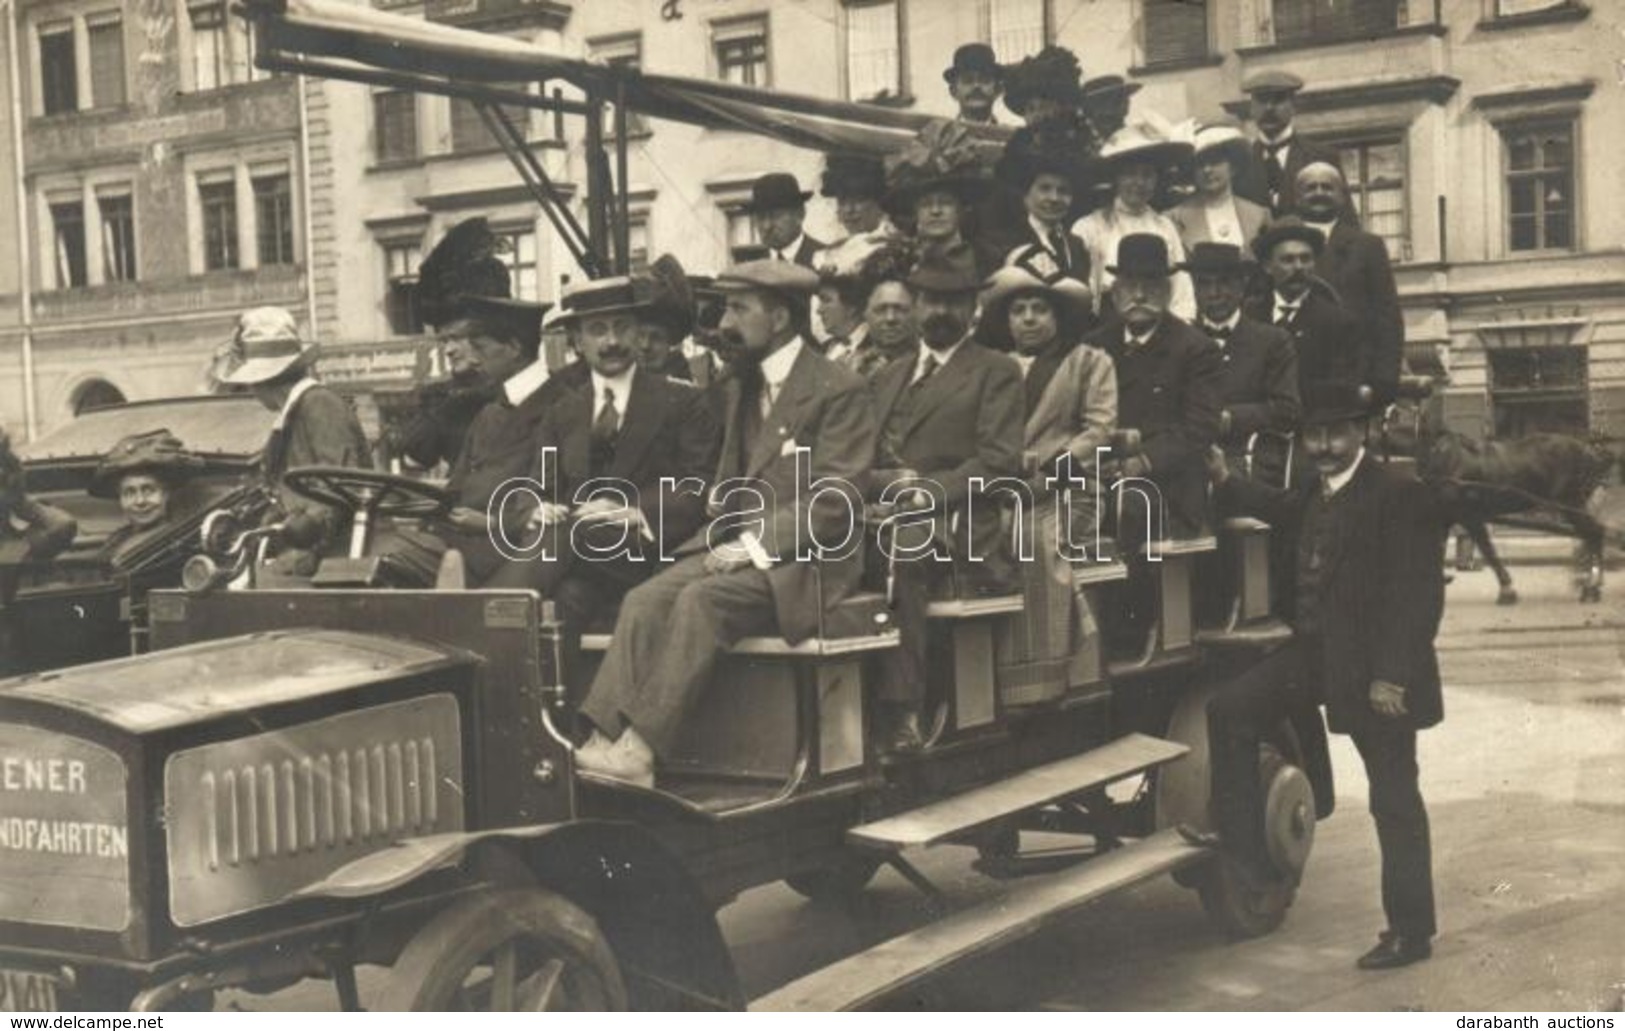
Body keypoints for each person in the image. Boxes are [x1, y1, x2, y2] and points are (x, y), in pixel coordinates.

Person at [573, 260, 876, 787]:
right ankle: (601, 736)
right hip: (737, 549)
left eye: (739, 307)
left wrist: (754, 543)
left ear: (779, 317)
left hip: (806, 559)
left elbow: (836, 498)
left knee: (699, 601)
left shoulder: (837, 388)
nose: (727, 321)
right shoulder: (740, 385)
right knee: (645, 598)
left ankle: (641, 750)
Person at [1202, 380, 1445, 970]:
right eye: (1315, 435)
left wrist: (1391, 678)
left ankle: (1410, 932)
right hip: (1317, 656)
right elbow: (1275, 509)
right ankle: (1248, 857)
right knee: (1229, 709)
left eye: (1338, 433)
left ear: (1362, 432)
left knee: (1392, 798)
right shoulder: (1312, 488)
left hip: (1378, 670)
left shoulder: (1398, 491)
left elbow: (1418, 598)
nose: (1326, 445)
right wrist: (1222, 477)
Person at [483, 270, 721, 631]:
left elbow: (698, 482)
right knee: (570, 596)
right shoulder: (562, 414)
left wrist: (635, 510)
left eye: (621, 327)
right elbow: (534, 488)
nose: (612, 341)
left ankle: (477, 621)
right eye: (597, 330)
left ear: (638, 332)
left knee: (570, 532)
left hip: (650, 548)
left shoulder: (683, 402)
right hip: (578, 560)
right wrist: (535, 510)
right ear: (577, 341)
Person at [865, 257, 1024, 750]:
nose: (940, 311)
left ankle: (903, 709)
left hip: (959, 520)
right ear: (915, 306)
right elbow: (859, 455)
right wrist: (881, 483)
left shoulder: (995, 370)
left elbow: (998, 461)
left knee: (901, 552)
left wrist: (923, 494)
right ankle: (840, 707)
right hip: (882, 509)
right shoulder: (888, 376)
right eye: (931, 300)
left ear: (973, 308)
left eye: (953, 301)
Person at [374, 219, 553, 587]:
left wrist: (485, 523)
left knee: (375, 556)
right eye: (447, 340)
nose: (453, 350)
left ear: (513, 346)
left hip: (507, 552)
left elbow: (550, 507)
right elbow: (452, 489)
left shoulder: (561, 407)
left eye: (468, 340)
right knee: (367, 552)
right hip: (455, 542)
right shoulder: (487, 411)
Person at [981, 254, 1117, 702]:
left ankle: (1038, 678)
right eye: (1018, 311)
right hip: (1000, 487)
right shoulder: (995, 366)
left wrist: (1049, 473)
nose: (1029, 320)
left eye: (1040, 310)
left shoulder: (1089, 362)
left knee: (1028, 537)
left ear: (1059, 316)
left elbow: (1098, 430)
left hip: (1069, 489)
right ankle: (983, 673)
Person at [1085, 234, 1222, 544]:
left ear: (1169, 291)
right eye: (1130, 285)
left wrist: (1143, 461)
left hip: (1168, 482)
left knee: (1131, 509)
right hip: (1100, 474)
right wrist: (1098, 462)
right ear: (1115, 292)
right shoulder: (1093, 346)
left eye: (1151, 285)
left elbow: (1200, 429)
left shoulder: (1196, 349)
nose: (1140, 295)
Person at [218, 306, 372, 575]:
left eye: (249, 383)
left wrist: (309, 548)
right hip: (323, 547)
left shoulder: (319, 404)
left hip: (349, 549)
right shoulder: (294, 413)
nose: (251, 390)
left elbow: (339, 487)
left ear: (263, 379)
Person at [1183, 242, 1300, 474]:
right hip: (1187, 460)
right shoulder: (1181, 341)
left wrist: (1230, 419)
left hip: (1249, 459)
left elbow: (1288, 410)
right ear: (1194, 290)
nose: (1214, 293)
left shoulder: (1273, 341)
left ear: (1241, 285)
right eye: (1204, 284)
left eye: (1224, 282)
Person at [1295, 162, 1404, 406]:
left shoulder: (1367, 246)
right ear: (1297, 197)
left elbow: (1387, 316)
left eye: (1327, 187)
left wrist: (1383, 382)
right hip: (1295, 377)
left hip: (1351, 376)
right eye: (1310, 188)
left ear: (1343, 197)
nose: (1319, 193)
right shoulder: (1280, 245)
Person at [1074, 124, 1197, 323]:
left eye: (1147, 175)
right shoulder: (1089, 227)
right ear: (1116, 177)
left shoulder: (1164, 226)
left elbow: (1181, 289)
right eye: (1130, 173)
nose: (1139, 183)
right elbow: (1083, 293)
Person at [1244, 218, 1361, 414]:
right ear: (1267, 266)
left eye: (1305, 259)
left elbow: (1342, 388)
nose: (1298, 267)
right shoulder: (1249, 316)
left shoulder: (1337, 321)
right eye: (1288, 260)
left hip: (1313, 429)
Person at [883, 124, 999, 283]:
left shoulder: (987, 259)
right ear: (914, 212)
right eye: (925, 204)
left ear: (962, 209)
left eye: (946, 203)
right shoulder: (895, 261)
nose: (935, 211)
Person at [1231, 71, 1342, 217]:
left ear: (1294, 106)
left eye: (1279, 99)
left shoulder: (1321, 156)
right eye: (1262, 100)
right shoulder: (1239, 164)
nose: (1269, 107)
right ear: (1251, 108)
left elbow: (1345, 221)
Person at [90, 430, 205, 568]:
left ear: (166, 494)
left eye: (148, 490)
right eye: (129, 493)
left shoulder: (179, 541)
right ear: (120, 499)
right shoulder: (117, 540)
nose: (140, 501)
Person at [391, 336, 496, 471]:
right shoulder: (444, 399)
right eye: (445, 341)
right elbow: (418, 456)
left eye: (458, 338)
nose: (448, 350)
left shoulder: (513, 392)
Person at [1169, 123, 1273, 254]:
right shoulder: (1175, 217)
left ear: (1233, 167)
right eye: (1200, 164)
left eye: (1215, 161)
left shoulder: (1259, 215)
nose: (1207, 170)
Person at [1003, 139, 1092, 281]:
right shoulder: (1006, 242)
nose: (1054, 198)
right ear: (1025, 194)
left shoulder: (1076, 246)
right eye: (1045, 188)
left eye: (1063, 191)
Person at [746, 173, 824, 268]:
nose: (767, 226)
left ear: (800, 213)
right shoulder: (751, 268)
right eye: (761, 217)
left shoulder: (826, 258)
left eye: (776, 216)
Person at [945, 43, 1004, 125]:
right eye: (967, 80)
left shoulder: (1010, 136)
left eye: (984, 80)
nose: (976, 86)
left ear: (998, 90)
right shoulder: (941, 137)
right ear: (953, 91)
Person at [1080, 74, 1141, 144]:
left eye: (1126, 96)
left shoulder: (1122, 128)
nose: (1127, 101)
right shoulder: (1090, 135)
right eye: (1119, 97)